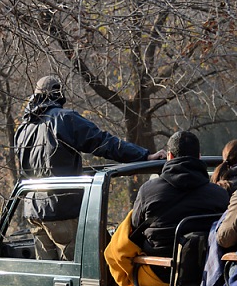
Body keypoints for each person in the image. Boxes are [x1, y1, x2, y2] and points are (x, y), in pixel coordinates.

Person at [14, 75, 166, 261]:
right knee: (74, 271)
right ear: (58, 95)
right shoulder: (64, 119)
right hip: (61, 208)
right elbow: (103, 143)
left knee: (48, 275)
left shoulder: (23, 129)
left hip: (33, 210)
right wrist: (144, 156)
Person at [127, 130, 230, 283]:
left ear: (169, 156)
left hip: (160, 273)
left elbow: (134, 228)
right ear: (199, 157)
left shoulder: (148, 190)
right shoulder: (220, 194)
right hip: (208, 274)